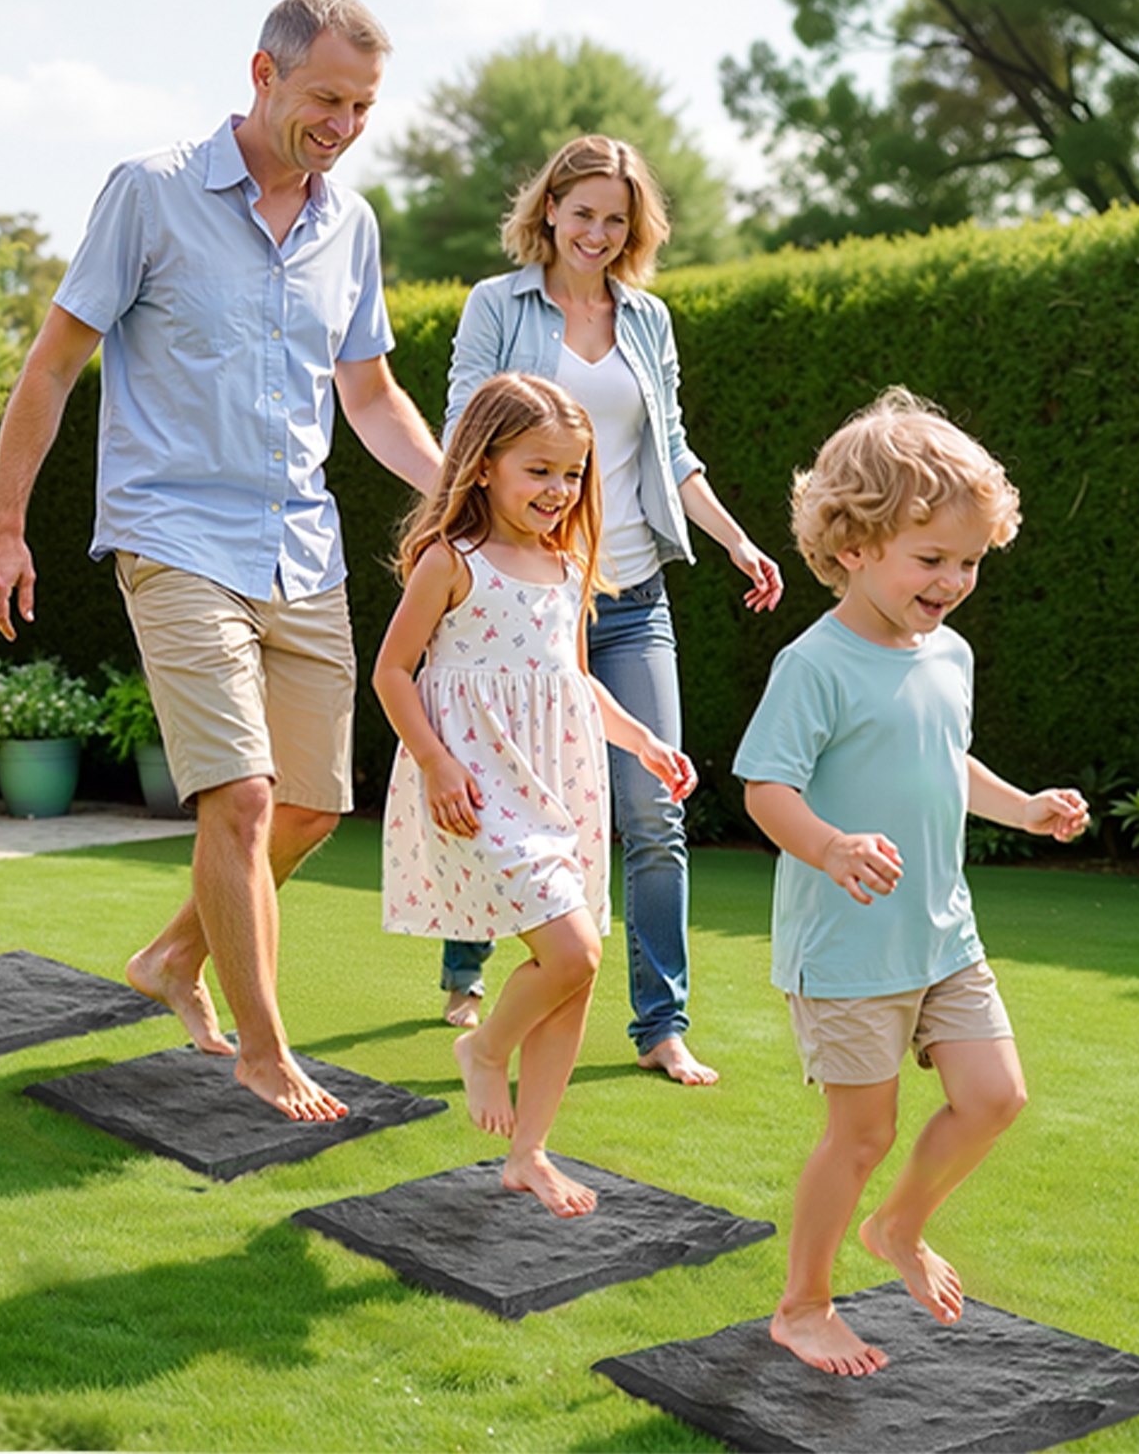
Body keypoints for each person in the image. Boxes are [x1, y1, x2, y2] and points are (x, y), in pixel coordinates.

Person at [0, 0, 441, 1123]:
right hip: (172, 533)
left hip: (300, 546)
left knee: (314, 809)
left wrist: (466, 496)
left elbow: (369, 397)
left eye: (364, 104)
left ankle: (173, 956)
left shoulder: (351, 228)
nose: (343, 121)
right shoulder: (152, 192)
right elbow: (53, 362)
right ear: (262, 74)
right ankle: (265, 1050)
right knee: (239, 799)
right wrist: (0, 522)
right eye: (326, 96)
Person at [733, 387, 1089, 1375]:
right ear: (852, 546)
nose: (954, 580)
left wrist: (1021, 806)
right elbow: (765, 788)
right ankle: (801, 1304)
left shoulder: (951, 653)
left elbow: (947, 761)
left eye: (969, 560)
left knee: (994, 1095)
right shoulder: (816, 664)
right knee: (860, 1132)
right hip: (848, 946)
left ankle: (897, 1225)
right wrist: (830, 847)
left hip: (942, 932)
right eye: (931, 559)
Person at [437, 135, 781, 1085]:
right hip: (523, 597)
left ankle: (660, 1024)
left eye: (616, 219)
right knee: (506, 798)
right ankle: (466, 964)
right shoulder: (496, 306)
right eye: (582, 212)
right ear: (548, 209)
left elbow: (672, 448)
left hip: (630, 596)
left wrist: (735, 537)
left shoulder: (648, 321)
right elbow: (465, 434)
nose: (597, 232)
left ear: (635, 229)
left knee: (654, 804)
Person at [374, 373, 697, 1217]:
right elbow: (392, 672)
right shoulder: (452, 563)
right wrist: (439, 764)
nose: (559, 492)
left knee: (574, 969)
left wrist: (647, 745)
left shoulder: (566, 566)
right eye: (539, 471)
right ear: (482, 466)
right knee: (575, 953)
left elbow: (576, 685)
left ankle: (530, 1153)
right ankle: (484, 1049)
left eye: (573, 474)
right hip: (479, 786)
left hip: (560, 787)